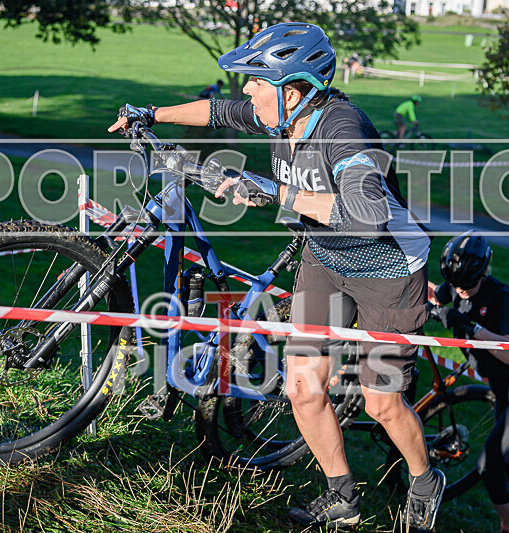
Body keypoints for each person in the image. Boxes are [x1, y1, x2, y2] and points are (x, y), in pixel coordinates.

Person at [108, 21, 445, 532]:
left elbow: (368, 214)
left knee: (382, 402)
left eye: (256, 81)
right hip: (326, 260)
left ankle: (424, 479)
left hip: (389, 273)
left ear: (292, 90)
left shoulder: (342, 130)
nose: (247, 89)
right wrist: (151, 113)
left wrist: (273, 191)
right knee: (303, 388)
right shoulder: (282, 115)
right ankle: (342, 497)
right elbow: (218, 111)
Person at [428, 231, 509, 533]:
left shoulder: (502, 298)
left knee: (490, 467)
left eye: (467, 284)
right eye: (455, 284)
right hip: (505, 390)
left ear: (484, 272)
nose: (461, 290)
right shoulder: (458, 285)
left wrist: (471, 327)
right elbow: (435, 294)